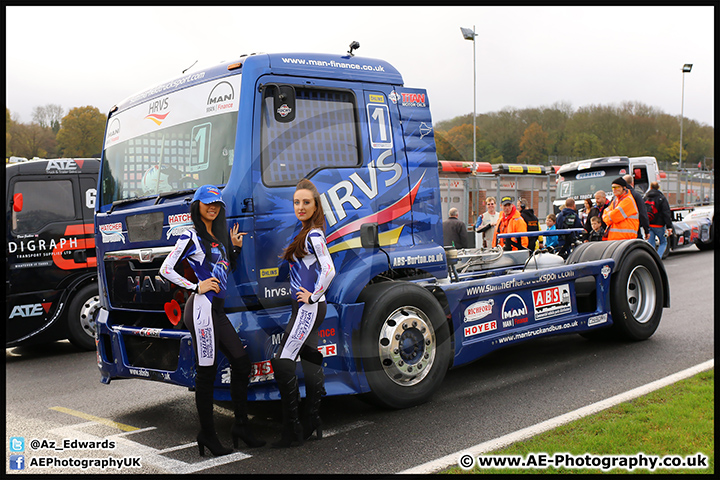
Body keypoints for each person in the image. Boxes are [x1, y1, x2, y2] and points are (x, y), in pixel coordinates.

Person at [160, 185, 265, 456]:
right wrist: (195, 286)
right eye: (208, 203)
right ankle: (207, 435)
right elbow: (165, 269)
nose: (213, 207)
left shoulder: (215, 236)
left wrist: (235, 250)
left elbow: (221, 270)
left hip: (216, 311)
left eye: (217, 204)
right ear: (197, 206)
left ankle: (241, 426)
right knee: (205, 374)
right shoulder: (190, 235)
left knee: (241, 364)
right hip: (201, 310)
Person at [273, 178, 336, 448]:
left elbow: (329, 269)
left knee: (282, 360)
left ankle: (294, 429)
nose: (300, 206)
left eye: (306, 202)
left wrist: (313, 295)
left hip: (308, 307)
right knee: (308, 357)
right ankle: (312, 421)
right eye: (296, 202)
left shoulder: (314, 234)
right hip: (302, 307)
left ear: (315, 205)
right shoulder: (304, 232)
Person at [644, 182, 673, 257]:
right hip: (659, 225)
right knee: (663, 242)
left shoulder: (645, 197)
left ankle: (652, 259)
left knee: (651, 244)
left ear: (650, 187)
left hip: (649, 224)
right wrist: (669, 226)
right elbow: (666, 213)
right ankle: (658, 259)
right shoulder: (661, 198)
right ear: (658, 187)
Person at [623, 174, 650, 240]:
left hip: (621, 230)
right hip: (634, 228)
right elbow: (643, 213)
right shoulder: (636, 195)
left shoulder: (618, 196)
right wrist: (646, 230)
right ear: (632, 183)